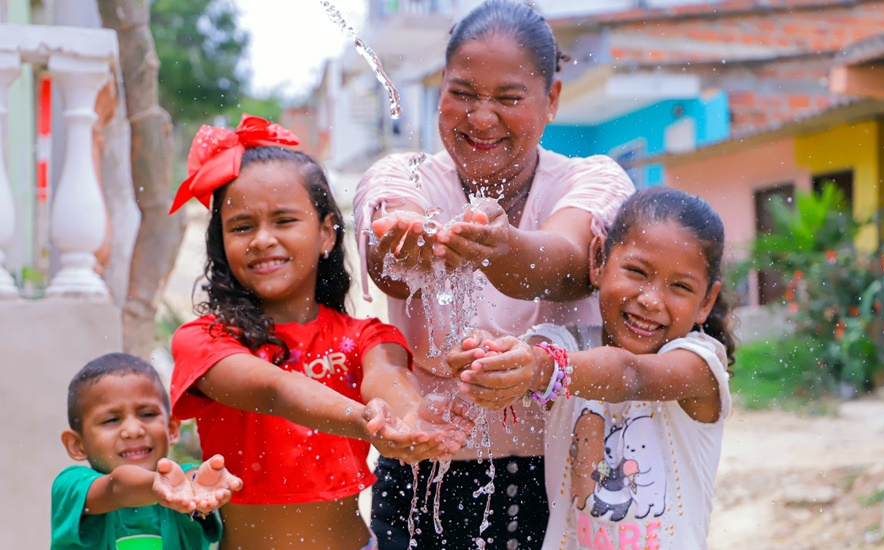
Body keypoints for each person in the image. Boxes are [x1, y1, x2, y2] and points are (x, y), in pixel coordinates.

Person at [353, 1, 635, 547]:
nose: (482, 117)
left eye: (508, 98)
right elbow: (383, 261)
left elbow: (567, 266)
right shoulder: (402, 175)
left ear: (551, 99)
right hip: (426, 476)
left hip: (565, 474)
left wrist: (499, 248)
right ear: (439, 90)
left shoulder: (593, 180)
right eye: (462, 94)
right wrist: (406, 248)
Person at [168, 115, 472, 549]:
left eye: (284, 220)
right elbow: (275, 390)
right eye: (241, 226)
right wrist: (367, 423)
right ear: (222, 242)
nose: (261, 239)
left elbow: (387, 380)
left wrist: (409, 417)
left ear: (327, 233)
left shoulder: (366, 336)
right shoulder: (205, 340)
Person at [450, 187, 737, 549]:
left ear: (705, 302)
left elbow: (630, 375)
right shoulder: (566, 344)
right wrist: (488, 357)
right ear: (600, 260)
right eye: (636, 271)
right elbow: (528, 356)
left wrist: (541, 367)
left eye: (679, 286)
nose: (650, 300)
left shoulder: (699, 363)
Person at [52, 352, 242, 549]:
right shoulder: (71, 488)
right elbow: (117, 487)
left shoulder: (181, 490)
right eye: (111, 420)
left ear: (171, 429)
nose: (134, 431)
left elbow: (191, 480)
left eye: (147, 414)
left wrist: (199, 486)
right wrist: (158, 485)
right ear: (77, 444)